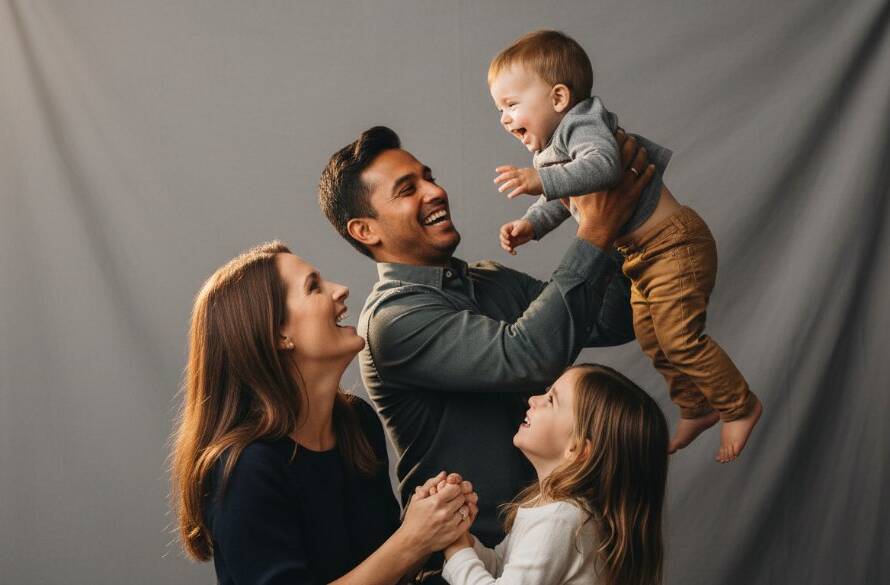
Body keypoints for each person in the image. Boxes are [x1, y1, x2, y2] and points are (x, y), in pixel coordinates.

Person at [318, 125, 653, 550]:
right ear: (365, 231)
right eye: (407, 190)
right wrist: (597, 227)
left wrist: (620, 212)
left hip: (557, 543)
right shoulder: (393, 321)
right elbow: (528, 356)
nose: (435, 192)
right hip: (471, 564)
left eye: (429, 177)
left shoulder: (490, 280)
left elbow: (613, 320)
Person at [488, 30, 762, 462]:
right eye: (498, 109)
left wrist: (539, 180)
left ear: (559, 97)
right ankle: (697, 405)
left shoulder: (583, 122)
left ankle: (739, 405)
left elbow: (600, 168)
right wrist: (531, 225)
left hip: (674, 245)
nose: (504, 118)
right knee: (653, 339)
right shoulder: (552, 150)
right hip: (641, 257)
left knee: (680, 336)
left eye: (511, 104)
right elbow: (565, 199)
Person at [170, 241, 479, 585]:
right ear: (279, 334)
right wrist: (412, 539)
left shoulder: (356, 422)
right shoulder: (246, 469)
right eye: (314, 287)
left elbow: (385, 573)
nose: (341, 290)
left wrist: (432, 523)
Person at [438, 364, 669, 585]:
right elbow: (502, 569)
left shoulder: (561, 518)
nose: (533, 400)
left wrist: (456, 547)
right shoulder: (554, 509)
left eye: (551, 400)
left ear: (576, 449)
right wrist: (463, 535)